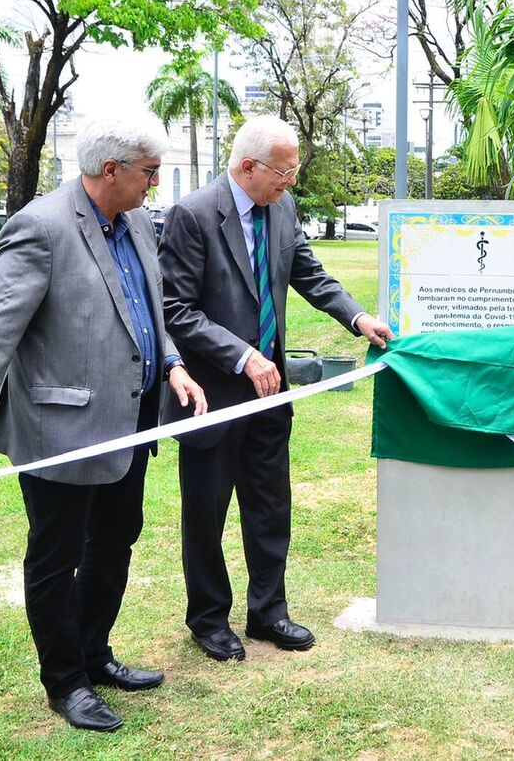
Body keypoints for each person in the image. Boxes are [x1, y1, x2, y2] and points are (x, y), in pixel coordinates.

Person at [0, 122, 207, 733]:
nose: (156, 184)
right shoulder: (41, 228)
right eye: (149, 172)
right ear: (112, 171)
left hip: (130, 427)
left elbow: (146, 311)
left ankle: (94, 654)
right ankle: (65, 682)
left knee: (115, 543)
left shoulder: (135, 226)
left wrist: (174, 365)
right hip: (59, 430)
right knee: (58, 557)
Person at [160, 115, 393, 662]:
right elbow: (176, 309)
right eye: (284, 172)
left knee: (270, 507)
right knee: (207, 513)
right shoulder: (192, 215)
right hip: (211, 397)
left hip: (272, 395)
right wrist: (242, 356)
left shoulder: (281, 208)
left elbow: (310, 275)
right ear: (248, 166)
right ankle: (209, 619)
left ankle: (269, 613)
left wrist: (358, 319)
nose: (290, 182)